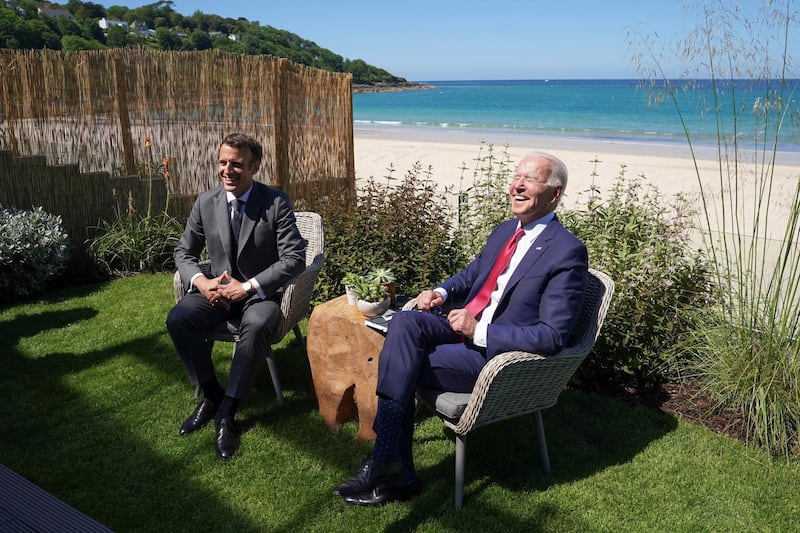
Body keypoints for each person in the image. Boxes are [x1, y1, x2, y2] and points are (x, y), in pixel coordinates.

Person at [332, 152, 589, 506]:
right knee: (405, 323)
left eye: (529, 180)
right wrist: (440, 292)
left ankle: (391, 465)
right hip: (460, 326)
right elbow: (473, 276)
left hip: (494, 356)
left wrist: (479, 331)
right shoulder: (505, 231)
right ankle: (390, 462)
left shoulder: (566, 252)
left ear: (554, 193)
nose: (516, 185)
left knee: (400, 363)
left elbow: (553, 336)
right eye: (516, 176)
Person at [166, 133, 306, 460]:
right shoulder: (206, 202)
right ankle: (212, 395)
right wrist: (202, 283)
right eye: (223, 163)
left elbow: (294, 257)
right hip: (216, 294)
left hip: (259, 296)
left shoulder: (275, 202)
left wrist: (247, 287)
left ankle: (227, 412)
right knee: (179, 319)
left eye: (237, 165)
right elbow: (183, 251)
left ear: (255, 167)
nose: (228, 170)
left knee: (256, 327)